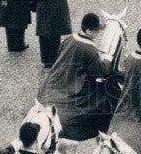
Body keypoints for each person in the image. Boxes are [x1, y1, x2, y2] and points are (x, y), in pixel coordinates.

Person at [38, 13, 114, 141]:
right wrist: (107, 59)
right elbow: (101, 71)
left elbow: (59, 53)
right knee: (103, 94)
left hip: (56, 77)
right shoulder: (90, 48)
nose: (97, 34)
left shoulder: (70, 38)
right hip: (72, 84)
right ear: (89, 30)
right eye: (96, 31)